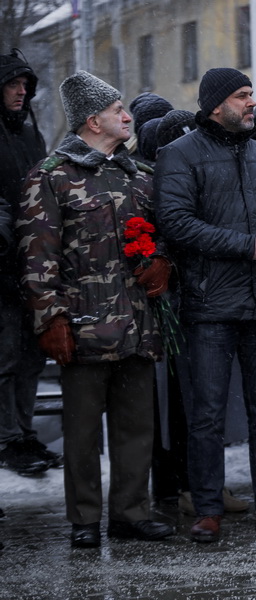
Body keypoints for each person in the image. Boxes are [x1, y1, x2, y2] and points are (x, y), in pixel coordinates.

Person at [17, 70, 175, 548]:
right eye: (117, 111)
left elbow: (169, 230)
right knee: (82, 431)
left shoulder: (139, 175)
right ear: (92, 121)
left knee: (136, 427)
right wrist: (49, 318)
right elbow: (36, 255)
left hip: (138, 324)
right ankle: (84, 519)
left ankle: (131, 513)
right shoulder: (52, 175)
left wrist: (164, 260)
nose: (127, 117)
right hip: (82, 326)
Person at [154, 68, 256, 542]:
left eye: (252, 94)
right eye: (242, 96)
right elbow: (175, 222)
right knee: (207, 414)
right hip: (209, 305)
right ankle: (206, 508)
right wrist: (246, 245)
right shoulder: (180, 154)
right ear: (216, 104)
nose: (252, 103)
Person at [0, 49, 55, 477]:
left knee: (32, 355)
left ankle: (23, 431)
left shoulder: (30, 135)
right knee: (6, 355)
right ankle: (8, 438)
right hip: (4, 261)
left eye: (25, 85)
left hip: (30, 261)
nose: (21, 92)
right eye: (13, 84)